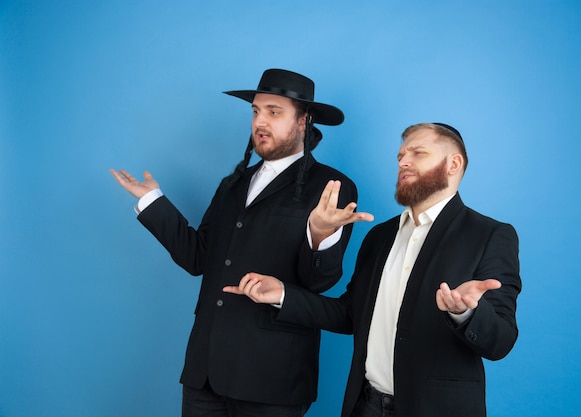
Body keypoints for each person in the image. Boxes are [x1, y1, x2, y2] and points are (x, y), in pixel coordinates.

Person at [110, 69, 373, 417]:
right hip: (205, 374)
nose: (260, 121)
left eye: (274, 112)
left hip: (273, 378)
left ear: (303, 122)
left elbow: (318, 283)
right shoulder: (232, 184)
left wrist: (320, 235)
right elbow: (196, 258)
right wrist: (153, 203)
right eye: (256, 111)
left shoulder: (331, 186)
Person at [224, 122, 522, 417]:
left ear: (453, 163)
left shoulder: (490, 235)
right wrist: (283, 294)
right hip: (365, 405)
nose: (403, 161)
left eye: (418, 153)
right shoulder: (380, 236)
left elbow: (501, 342)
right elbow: (350, 315)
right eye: (400, 156)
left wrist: (466, 313)